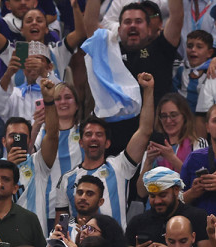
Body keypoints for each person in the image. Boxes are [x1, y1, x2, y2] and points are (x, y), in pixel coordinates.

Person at [53, 74, 155, 233]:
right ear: (81, 142)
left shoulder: (120, 166)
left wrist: (148, 90)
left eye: (99, 134)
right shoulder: (67, 179)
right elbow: (61, 227)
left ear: (107, 143)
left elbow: (145, 131)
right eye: (88, 134)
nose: (93, 138)